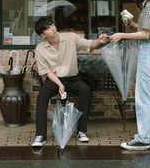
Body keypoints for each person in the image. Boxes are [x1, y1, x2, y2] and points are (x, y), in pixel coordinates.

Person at [32, 16, 108, 147]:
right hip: (54, 80)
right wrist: (60, 84)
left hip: (73, 78)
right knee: (42, 96)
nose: (52, 28)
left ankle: (82, 131)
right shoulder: (40, 49)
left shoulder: (70, 38)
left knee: (85, 90)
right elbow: (47, 72)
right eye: (47, 28)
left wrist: (99, 41)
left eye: (52, 25)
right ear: (42, 35)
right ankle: (40, 135)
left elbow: (90, 44)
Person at [110, 0, 150, 151]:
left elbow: (145, 34)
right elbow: (144, 29)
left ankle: (142, 139)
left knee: (143, 96)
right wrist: (132, 23)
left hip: (148, 51)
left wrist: (121, 35)